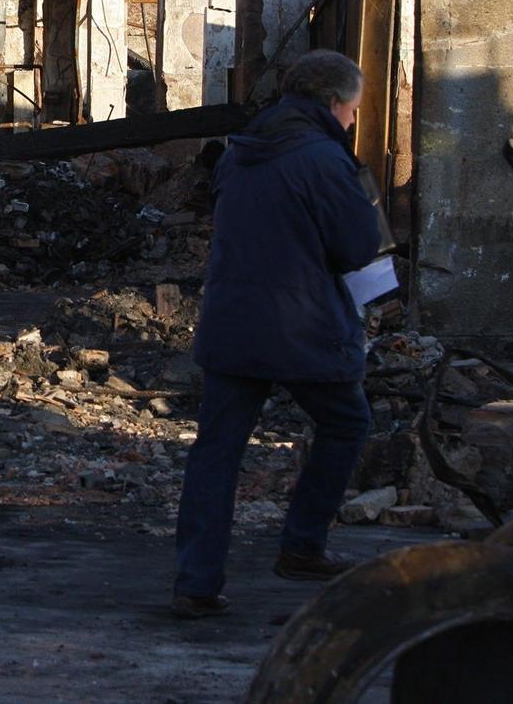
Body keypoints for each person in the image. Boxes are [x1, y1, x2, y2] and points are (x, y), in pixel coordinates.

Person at [172, 48, 383, 618]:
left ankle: (196, 580)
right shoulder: (322, 158)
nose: (353, 121)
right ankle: (302, 546)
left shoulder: (241, 153)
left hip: (232, 322)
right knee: (346, 421)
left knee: (217, 452)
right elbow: (359, 248)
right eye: (353, 110)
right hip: (302, 324)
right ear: (335, 103)